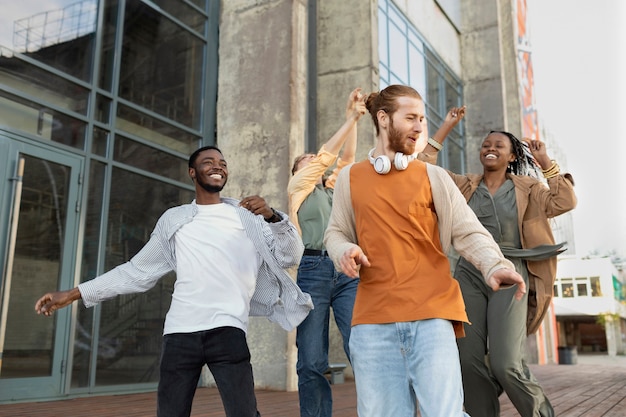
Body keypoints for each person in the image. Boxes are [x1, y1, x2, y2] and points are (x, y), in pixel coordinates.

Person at [35, 145, 313, 417]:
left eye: (222, 162)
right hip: (180, 333)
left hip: (228, 330)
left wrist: (273, 216)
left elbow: (291, 256)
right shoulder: (175, 219)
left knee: (244, 412)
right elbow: (136, 271)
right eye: (208, 162)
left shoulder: (248, 217)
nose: (218, 165)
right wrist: (74, 293)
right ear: (192, 172)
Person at [323, 84, 526, 417]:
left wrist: (494, 265)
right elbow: (336, 231)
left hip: (432, 317)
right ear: (384, 119)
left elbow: (467, 230)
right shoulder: (349, 177)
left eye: (423, 119)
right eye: (412, 118)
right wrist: (344, 249)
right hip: (372, 323)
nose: (420, 127)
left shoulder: (433, 176)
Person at [424, 107, 577, 417]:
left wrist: (545, 162)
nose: (490, 148)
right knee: (467, 358)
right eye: (486, 145)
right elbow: (421, 169)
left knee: (505, 362)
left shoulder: (528, 188)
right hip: (469, 272)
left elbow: (564, 201)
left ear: (511, 156)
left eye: (498, 146)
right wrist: (446, 127)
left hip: (511, 272)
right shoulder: (464, 186)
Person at [288, 88, 366, 417]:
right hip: (312, 272)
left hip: (346, 272)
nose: (318, 163)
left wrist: (356, 119)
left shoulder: (331, 187)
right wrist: (348, 117)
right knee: (312, 360)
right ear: (298, 171)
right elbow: (326, 156)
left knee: (362, 349)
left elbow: (345, 160)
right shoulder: (298, 189)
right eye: (308, 162)